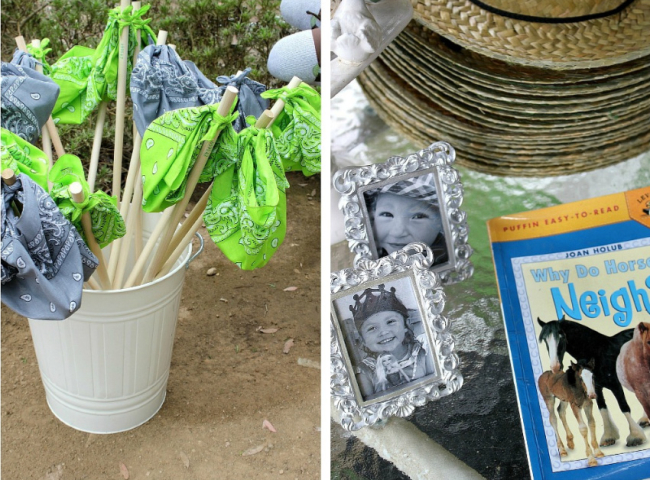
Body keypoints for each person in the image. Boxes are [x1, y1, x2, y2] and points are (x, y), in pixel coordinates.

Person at [349, 284, 435, 398]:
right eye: (372, 328)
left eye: (390, 322)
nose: (383, 332)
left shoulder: (422, 354)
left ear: (406, 325)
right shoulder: (365, 372)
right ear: (363, 341)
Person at [365, 173, 448, 265]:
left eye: (418, 217)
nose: (398, 233)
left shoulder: (445, 260)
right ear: (372, 216)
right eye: (387, 214)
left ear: (441, 222)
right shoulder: (367, 254)